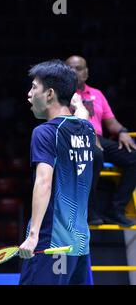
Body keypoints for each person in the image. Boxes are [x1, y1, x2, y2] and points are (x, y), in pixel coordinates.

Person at [19, 60, 95, 285]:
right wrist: (77, 102)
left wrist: (33, 237)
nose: (29, 94)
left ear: (50, 93)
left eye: (34, 87)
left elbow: (44, 182)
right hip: (80, 245)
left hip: (52, 246)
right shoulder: (87, 129)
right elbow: (82, 114)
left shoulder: (44, 132)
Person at [66, 55, 136, 226]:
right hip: (74, 139)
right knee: (95, 155)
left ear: (86, 73)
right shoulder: (60, 94)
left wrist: (122, 131)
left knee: (133, 157)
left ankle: (116, 209)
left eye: (79, 68)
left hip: (99, 139)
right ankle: (89, 210)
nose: (75, 72)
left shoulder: (97, 94)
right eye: (71, 68)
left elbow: (110, 122)